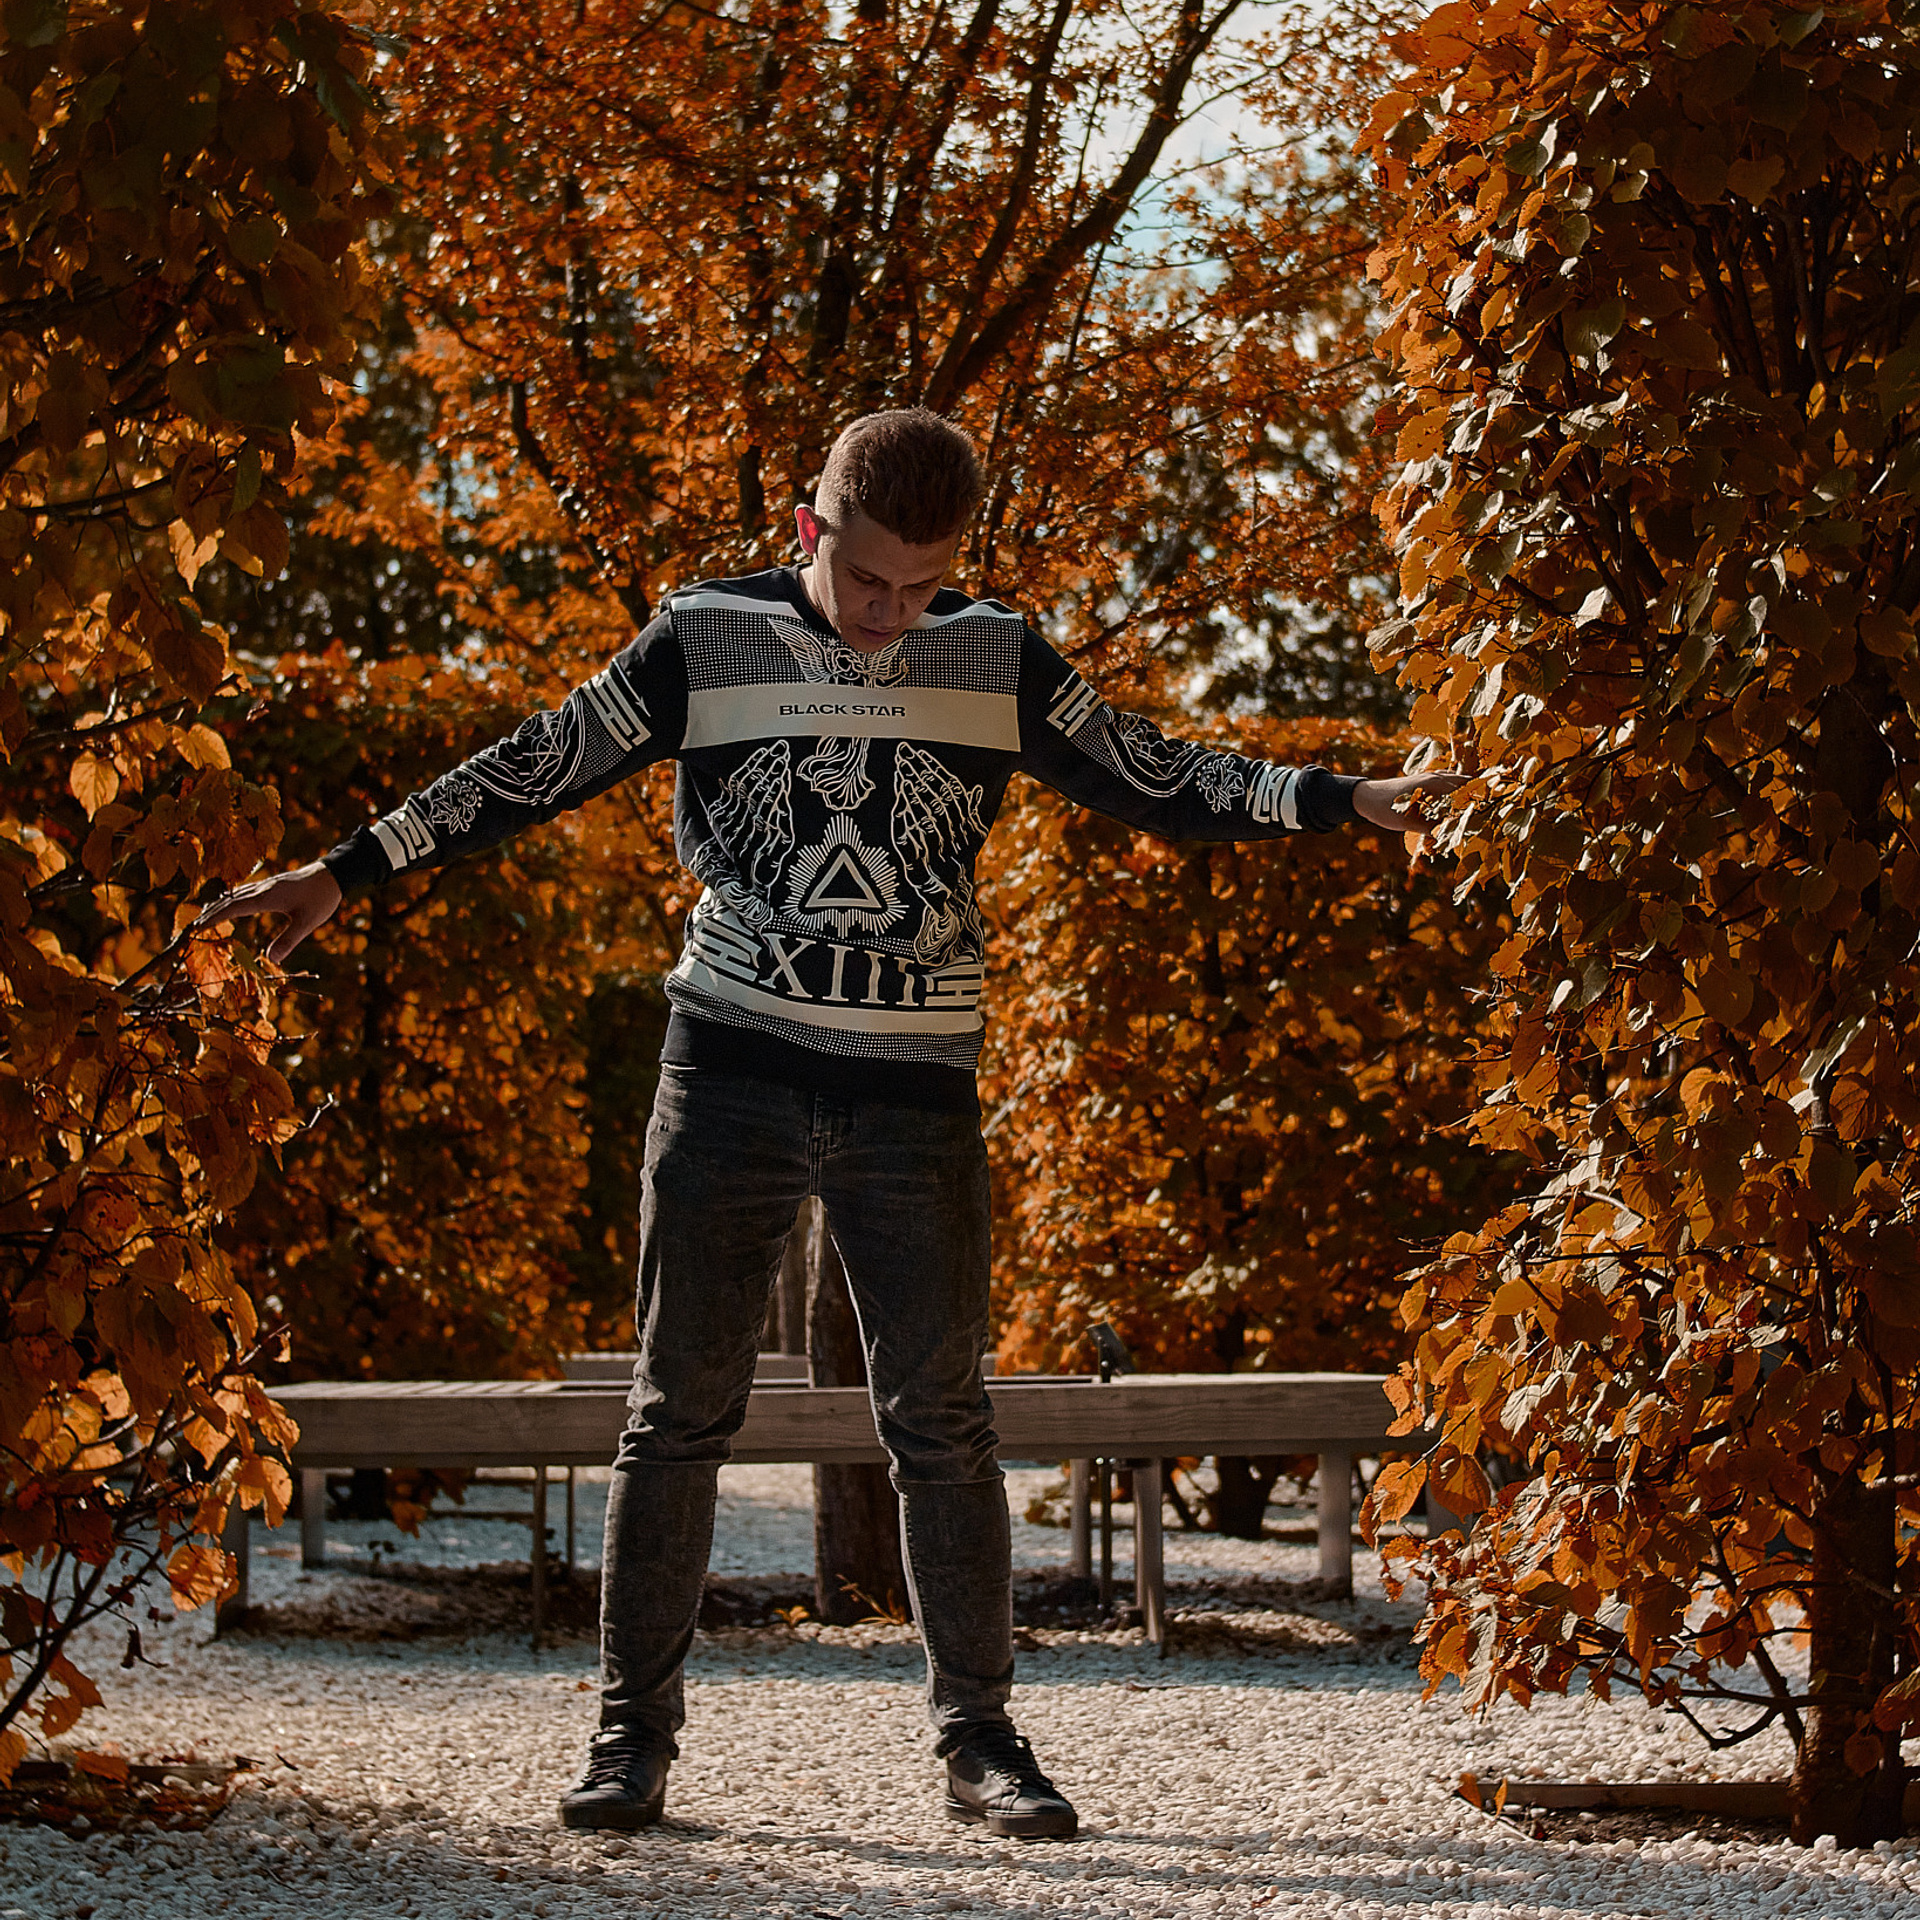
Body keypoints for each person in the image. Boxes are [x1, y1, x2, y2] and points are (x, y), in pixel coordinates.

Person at [204, 408, 1460, 1841]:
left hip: (914, 1091)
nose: (890, 614)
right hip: (727, 1071)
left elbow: (1157, 776)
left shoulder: (994, 657)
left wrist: (1344, 798)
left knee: (946, 1422)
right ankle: (630, 1742)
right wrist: (344, 873)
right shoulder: (703, 639)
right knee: (676, 1413)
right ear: (811, 529)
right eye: (868, 578)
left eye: (924, 585)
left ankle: (981, 1743)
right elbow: (534, 765)